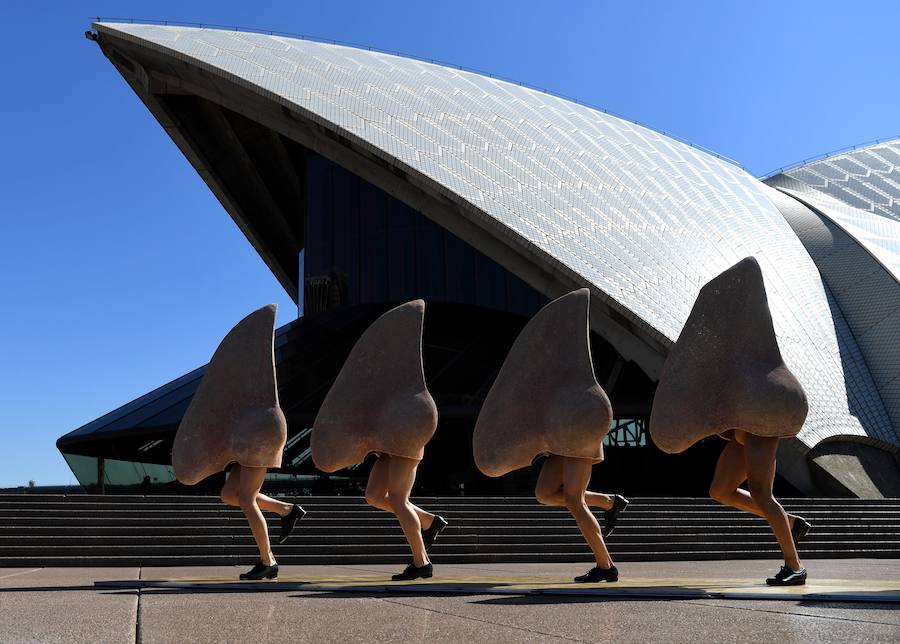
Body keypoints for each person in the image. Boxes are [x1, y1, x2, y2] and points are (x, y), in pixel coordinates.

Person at [710, 430, 810, 585]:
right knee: (720, 491)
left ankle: (795, 566)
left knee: (761, 493)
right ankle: (790, 522)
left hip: (760, 429)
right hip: (742, 431)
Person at [534, 455, 628, 582]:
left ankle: (605, 567)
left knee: (575, 501)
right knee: (545, 494)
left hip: (577, 441)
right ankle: (608, 501)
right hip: (557, 442)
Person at [363, 453, 447, 580]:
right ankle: (429, 521)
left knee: (398, 499)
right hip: (386, 448)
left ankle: (421, 562)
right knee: (374, 496)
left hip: (403, 444)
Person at [219, 464, 306, 580]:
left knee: (247, 500)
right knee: (229, 495)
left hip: (256, 449)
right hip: (241, 451)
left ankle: (268, 562)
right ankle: (286, 509)